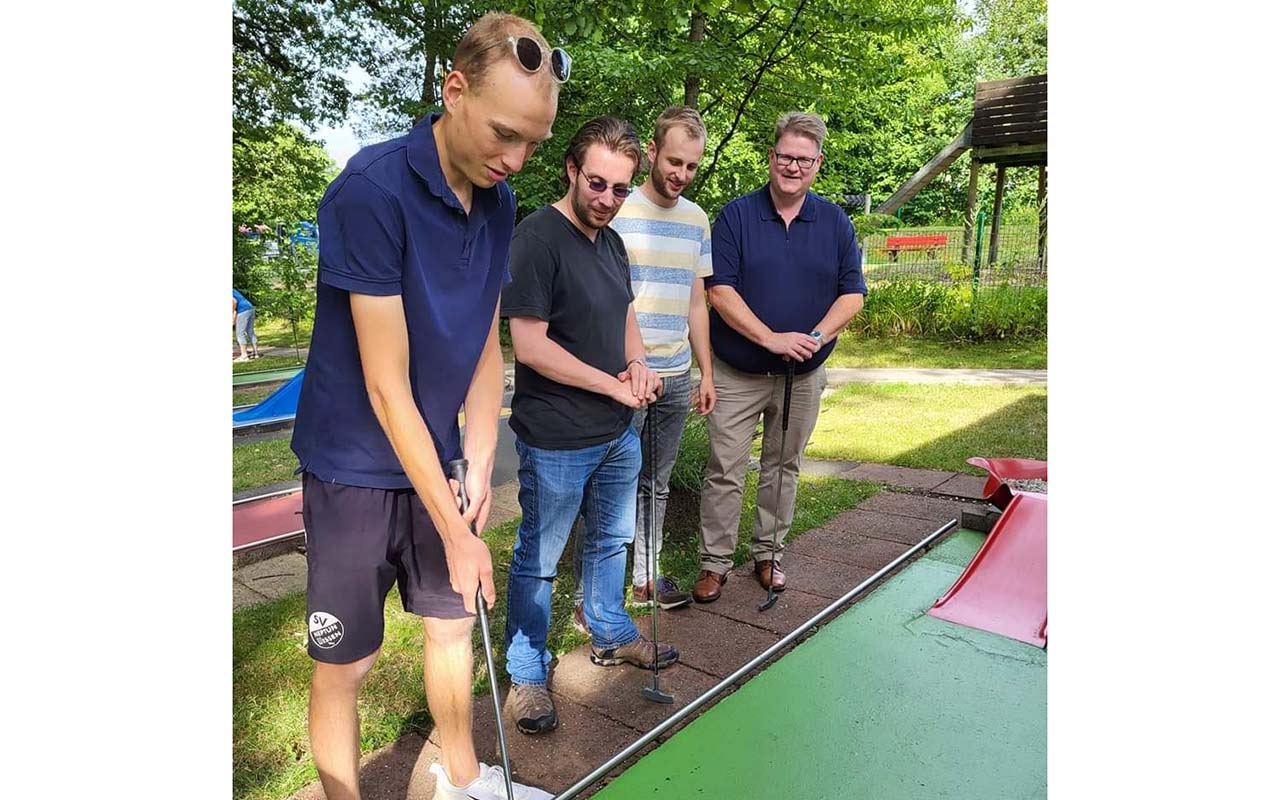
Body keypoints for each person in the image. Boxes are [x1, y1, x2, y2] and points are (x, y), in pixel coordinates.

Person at [288, 13, 565, 800]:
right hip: (353, 466)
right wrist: (454, 524)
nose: (516, 160)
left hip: (435, 457)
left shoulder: (499, 199)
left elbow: (482, 343)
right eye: (505, 134)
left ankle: (464, 780)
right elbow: (385, 383)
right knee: (347, 660)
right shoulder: (370, 192)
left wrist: (478, 464)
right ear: (454, 91)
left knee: (451, 626)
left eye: (534, 145)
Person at [501, 116, 678, 737]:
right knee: (540, 556)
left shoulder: (612, 242)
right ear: (572, 170)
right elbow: (529, 345)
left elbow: (625, 316)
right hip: (555, 436)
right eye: (597, 184)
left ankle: (610, 632)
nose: (607, 199)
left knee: (611, 540)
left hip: (616, 431)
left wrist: (638, 364)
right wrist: (614, 385)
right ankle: (526, 673)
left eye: (621, 188)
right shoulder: (537, 237)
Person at [692, 111, 867, 604]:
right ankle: (714, 564)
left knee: (784, 466)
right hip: (738, 372)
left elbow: (852, 294)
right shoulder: (736, 217)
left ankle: (768, 554)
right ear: (771, 157)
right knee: (725, 467)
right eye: (785, 156)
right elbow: (719, 292)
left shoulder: (834, 222)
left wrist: (812, 337)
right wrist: (770, 337)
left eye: (803, 160)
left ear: (818, 164)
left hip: (803, 374)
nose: (793, 166)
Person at [570, 106, 715, 619]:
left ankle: (645, 577)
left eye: (692, 167)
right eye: (674, 161)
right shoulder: (615, 208)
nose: (681, 174)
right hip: (621, 377)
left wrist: (706, 371)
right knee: (606, 485)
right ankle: (593, 594)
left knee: (656, 481)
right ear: (652, 152)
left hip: (675, 376)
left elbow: (697, 300)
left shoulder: (697, 220)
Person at [232, 288, 259, 361]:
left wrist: (232, 314)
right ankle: (255, 353)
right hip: (250, 308)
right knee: (250, 331)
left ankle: (244, 356)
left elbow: (234, 301)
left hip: (242, 310)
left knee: (240, 333)